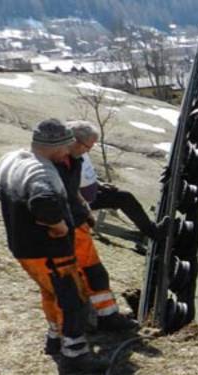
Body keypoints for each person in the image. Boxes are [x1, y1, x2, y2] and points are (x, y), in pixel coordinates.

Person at [0, 119, 107, 373]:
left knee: (51, 293)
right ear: (55, 146)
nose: (67, 153)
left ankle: (54, 339)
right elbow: (43, 202)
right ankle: (74, 355)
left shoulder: (13, 159)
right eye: (65, 147)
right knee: (72, 299)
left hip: (23, 248)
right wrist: (59, 226)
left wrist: (16, 207)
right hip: (49, 251)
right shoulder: (41, 172)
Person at [61, 120, 141, 332]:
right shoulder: (56, 163)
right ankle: (104, 318)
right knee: (90, 273)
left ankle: (93, 317)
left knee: (88, 273)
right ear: (75, 141)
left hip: (77, 223)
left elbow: (74, 190)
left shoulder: (73, 160)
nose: (89, 151)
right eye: (88, 146)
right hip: (67, 227)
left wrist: (86, 211)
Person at [77, 139, 168, 241]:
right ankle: (154, 233)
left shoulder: (82, 154)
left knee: (124, 197)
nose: (89, 149)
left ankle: (152, 230)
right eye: (87, 146)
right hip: (78, 201)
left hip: (88, 193)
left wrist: (100, 185)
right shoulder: (69, 156)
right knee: (124, 198)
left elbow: (85, 175)